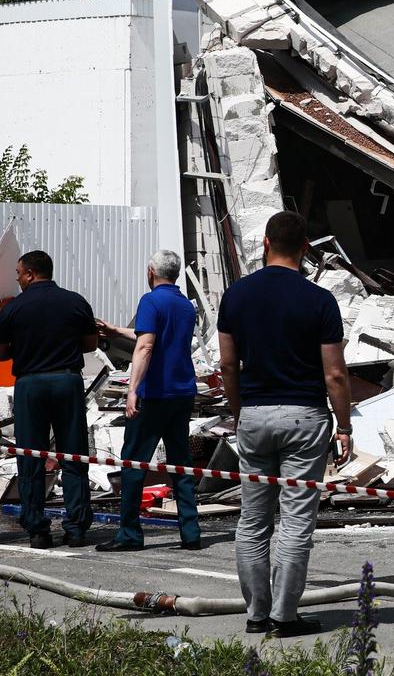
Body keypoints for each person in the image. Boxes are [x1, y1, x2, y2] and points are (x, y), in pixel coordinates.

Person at [217, 210, 353, 638]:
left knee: (253, 521)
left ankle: (257, 614)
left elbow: (227, 365)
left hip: (255, 415)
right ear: (306, 249)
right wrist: (344, 427)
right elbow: (335, 374)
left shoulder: (236, 296)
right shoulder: (320, 300)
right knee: (295, 522)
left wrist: (239, 412)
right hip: (304, 417)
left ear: (265, 244)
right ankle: (283, 616)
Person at [94, 250, 201, 552]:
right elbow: (151, 334)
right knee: (180, 464)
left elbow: (145, 346)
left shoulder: (150, 301)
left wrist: (132, 390)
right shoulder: (185, 306)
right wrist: (116, 330)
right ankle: (191, 532)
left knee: (133, 463)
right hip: (182, 393)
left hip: (154, 394)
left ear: (151, 272)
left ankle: (129, 533)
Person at [0, 250, 97, 548]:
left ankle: (37, 530)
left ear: (30, 274)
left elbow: (1, 352)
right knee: (74, 455)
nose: (18, 279)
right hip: (67, 381)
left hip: (31, 384)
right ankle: (76, 528)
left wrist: (23, 347)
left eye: (19, 273)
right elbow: (90, 344)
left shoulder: (14, 308)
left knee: (31, 458)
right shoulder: (75, 302)